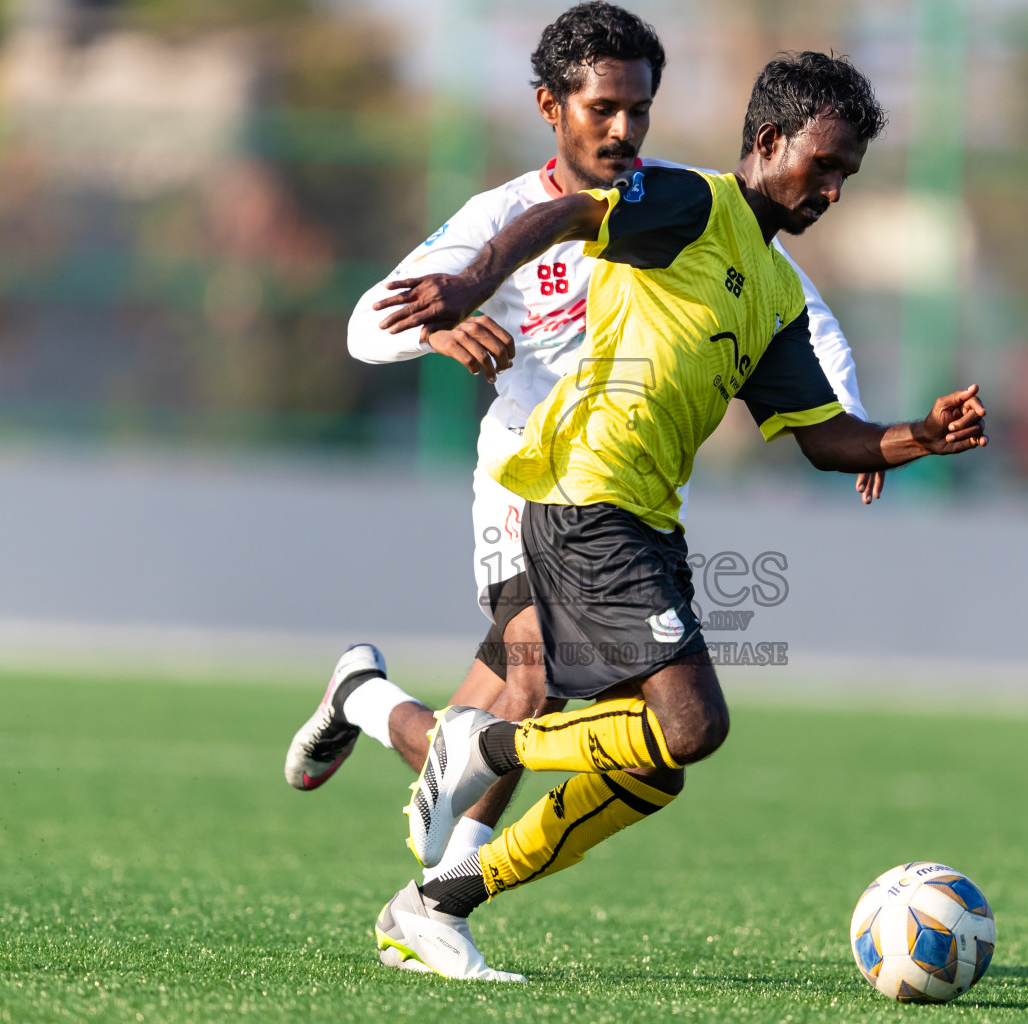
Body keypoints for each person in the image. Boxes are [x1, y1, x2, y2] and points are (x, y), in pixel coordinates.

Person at [367, 51, 989, 981]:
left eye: (847, 177)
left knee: (650, 769)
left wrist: (919, 437)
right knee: (695, 726)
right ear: (769, 142)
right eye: (823, 165)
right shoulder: (692, 203)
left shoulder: (775, 292)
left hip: (646, 521)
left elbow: (826, 439)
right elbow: (569, 213)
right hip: (586, 496)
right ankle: (479, 741)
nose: (832, 191)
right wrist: (464, 284)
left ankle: (436, 904)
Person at [284, 0, 880, 923]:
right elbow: (369, 322)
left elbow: (795, 300)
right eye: (603, 107)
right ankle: (437, 909)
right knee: (527, 698)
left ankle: (364, 703)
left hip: (614, 489)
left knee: (511, 723)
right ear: (549, 108)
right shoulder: (505, 216)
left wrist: (858, 418)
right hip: (525, 483)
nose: (623, 127)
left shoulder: (668, 204)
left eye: (638, 108)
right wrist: (440, 331)